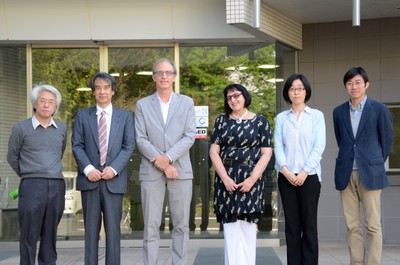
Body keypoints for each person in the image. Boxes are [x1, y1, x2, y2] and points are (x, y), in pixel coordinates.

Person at [135, 58, 196, 265]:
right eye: (159, 73)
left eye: (168, 73)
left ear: (174, 77)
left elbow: (189, 136)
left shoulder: (186, 102)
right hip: (151, 173)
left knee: (180, 226)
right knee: (151, 227)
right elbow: (140, 138)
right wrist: (162, 163)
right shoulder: (142, 105)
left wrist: (168, 159)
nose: (164, 76)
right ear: (153, 77)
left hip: (180, 172)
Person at [71, 72, 135, 265]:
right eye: (98, 87)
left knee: (113, 232)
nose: (102, 91)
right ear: (93, 92)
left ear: (113, 91)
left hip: (113, 181)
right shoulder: (83, 115)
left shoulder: (125, 117)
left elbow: (128, 145)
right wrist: (89, 169)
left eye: (106, 88)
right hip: (89, 181)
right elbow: (77, 145)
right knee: (91, 233)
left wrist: (113, 169)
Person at [333, 67, 393, 265]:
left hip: (371, 173)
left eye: (358, 82)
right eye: (349, 83)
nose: (354, 87)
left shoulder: (379, 109)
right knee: (352, 226)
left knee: (373, 225)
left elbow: (386, 142)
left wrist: (373, 161)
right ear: (345, 87)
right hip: (346, 173)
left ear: (366, 84)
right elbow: (342, 140)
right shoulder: (338, 112)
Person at [209, 84, 273, 265]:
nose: (233, 100)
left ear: (245, 96)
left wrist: (252, 179)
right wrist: (225, 178)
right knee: (230, 231)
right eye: (229, 97)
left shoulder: (260, 121)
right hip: (226, 177)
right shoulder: (221, 121)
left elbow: (266, 153)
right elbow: (214, 152)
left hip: (251, 177)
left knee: (248, 228)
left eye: (236, 95)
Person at [7, 84, 67, 265]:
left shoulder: (62, 129)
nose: (46, 105)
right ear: (35, 104)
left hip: (56, 185)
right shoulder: (21, 128)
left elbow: (60, 152)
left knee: (50, 234)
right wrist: (29, 173)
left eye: (51, 102)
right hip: (32, 186)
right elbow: (12, 157)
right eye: (42, 101)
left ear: (55, 107)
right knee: (29, 234)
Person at [274, 74, 326, 265]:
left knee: (309, 225)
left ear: (306, 91)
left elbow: (319, 146)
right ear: (287, 92)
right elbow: (278, 146)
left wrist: (304, 171)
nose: (296, 92)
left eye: (300, 88)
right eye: (292, 88)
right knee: (292, 226)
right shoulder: (281, 118)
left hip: (310, 177)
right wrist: (286, 171)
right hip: (286, 177)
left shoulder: (317, 116)